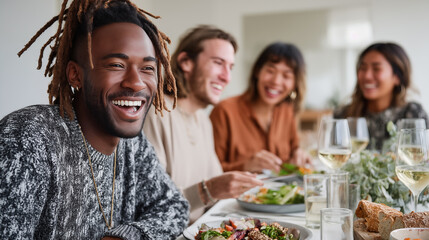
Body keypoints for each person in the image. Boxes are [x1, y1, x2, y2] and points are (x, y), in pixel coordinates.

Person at [0, 1, 189, 239]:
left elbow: (174, 208)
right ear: (75, 75)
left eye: (148, 68)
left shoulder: (132, 144)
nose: (136, 82)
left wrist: (124, 236)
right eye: (116, 65)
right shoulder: (29, 137)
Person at [143, 25, 263, 223]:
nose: (226, 77)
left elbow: (216, 197)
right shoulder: (156, 112)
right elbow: (152, 204)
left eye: (230, 67)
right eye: (218, 63)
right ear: (186, 62)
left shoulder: (203, 119)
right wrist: (208, 191)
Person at [210, 42, 311, 173]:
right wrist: (245, 166)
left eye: (286, 76)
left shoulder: (287, 111)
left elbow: (293, 154)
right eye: (270, 71)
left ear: (295, 84)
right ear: (257, 71)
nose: (276, 81)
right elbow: (209, 173)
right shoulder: (224, 111)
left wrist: (299, 156)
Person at [333, 42, 429, 151]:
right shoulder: (342, 115)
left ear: (397, 77)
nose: (367, 76)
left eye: (376, 69)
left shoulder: (413, 114)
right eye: (363, 68)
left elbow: (421, 161)